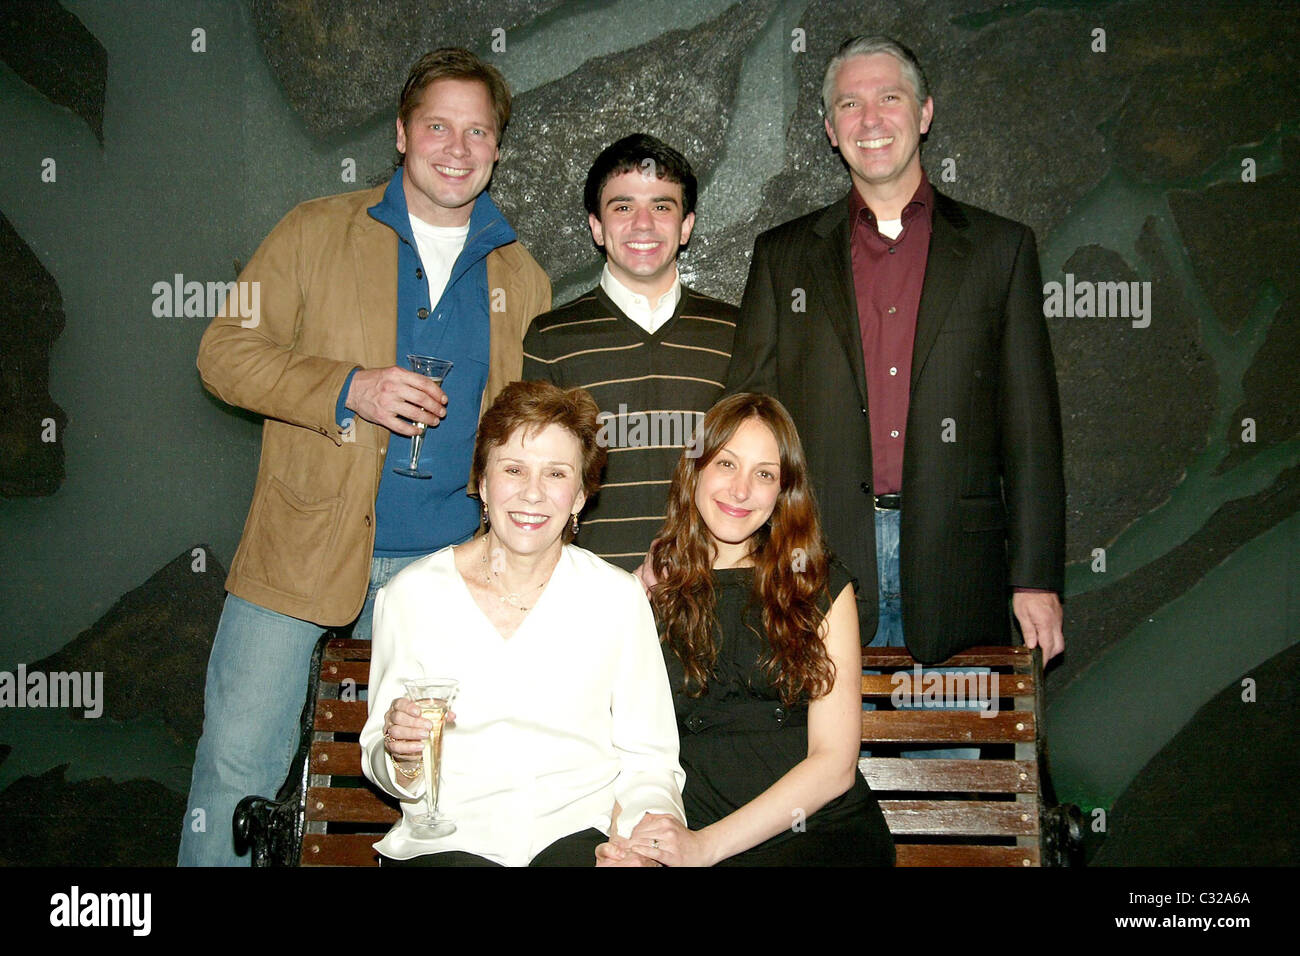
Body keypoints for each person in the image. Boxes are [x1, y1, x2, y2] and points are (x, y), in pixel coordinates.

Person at [181, 48, 551, 865]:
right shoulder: (312, 230)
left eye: (478, 131)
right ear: (400, 135)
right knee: (236, 770)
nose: (457, 148)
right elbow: (221, 351)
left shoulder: (521, 277)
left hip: (446, 575)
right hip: (299, 552)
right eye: (438, 127)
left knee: (423, 793)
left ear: (497, 147)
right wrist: (348, 386)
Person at [725, 36, 1065, 671]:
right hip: (814, 565)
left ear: (925, 112)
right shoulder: (783, 255)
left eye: (889, 97)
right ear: (830, 129)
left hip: (962, 571)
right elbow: (746, 419)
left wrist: (1036, 577)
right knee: (828, 768)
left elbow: (1031, 429)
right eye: (850, 104)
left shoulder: (1001, 249)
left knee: (953, 766)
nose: (871, 119)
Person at [361, 381, 685, 866]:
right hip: (447, 844)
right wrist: (402, 753)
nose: (532, 494)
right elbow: (383, 757)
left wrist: (639, 845)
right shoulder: (413, 595)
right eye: (513, 469)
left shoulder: (616, 599)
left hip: (580, 841)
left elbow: (651, 761)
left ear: (579, 495)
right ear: (484, 483)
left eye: (556, 474)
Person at [597, 393, 895, 866]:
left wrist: (706, 847)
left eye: (764, 474)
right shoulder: (650, 590)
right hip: (688, 827)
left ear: (784, 491)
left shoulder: (818, 584)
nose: (741, 491)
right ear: (695, 471)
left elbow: (834, 762)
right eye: (726, 464)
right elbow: (620, 747)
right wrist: (629, 840)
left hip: (816, 835)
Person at [523, 134, 737, 572]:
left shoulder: (736, 330)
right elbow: (535, 478)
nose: (643, 224)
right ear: (597, 227)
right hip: (590, 594)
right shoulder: (551, 338)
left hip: (712, 586)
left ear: (687, 225)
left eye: (662, 206)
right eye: (623, 207)